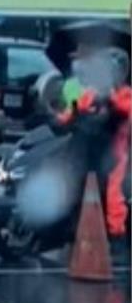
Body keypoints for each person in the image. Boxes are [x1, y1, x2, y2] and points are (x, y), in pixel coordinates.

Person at [57, 46, 131, 251]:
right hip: (86, 153)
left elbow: (125, 110)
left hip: (115, 155)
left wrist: (110, 101)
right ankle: (74, 232)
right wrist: (58, 119)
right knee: (73, 187)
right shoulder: (91, 94)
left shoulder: (125, 95)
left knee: (114, 197)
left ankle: (117, 242)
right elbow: (72, 111)